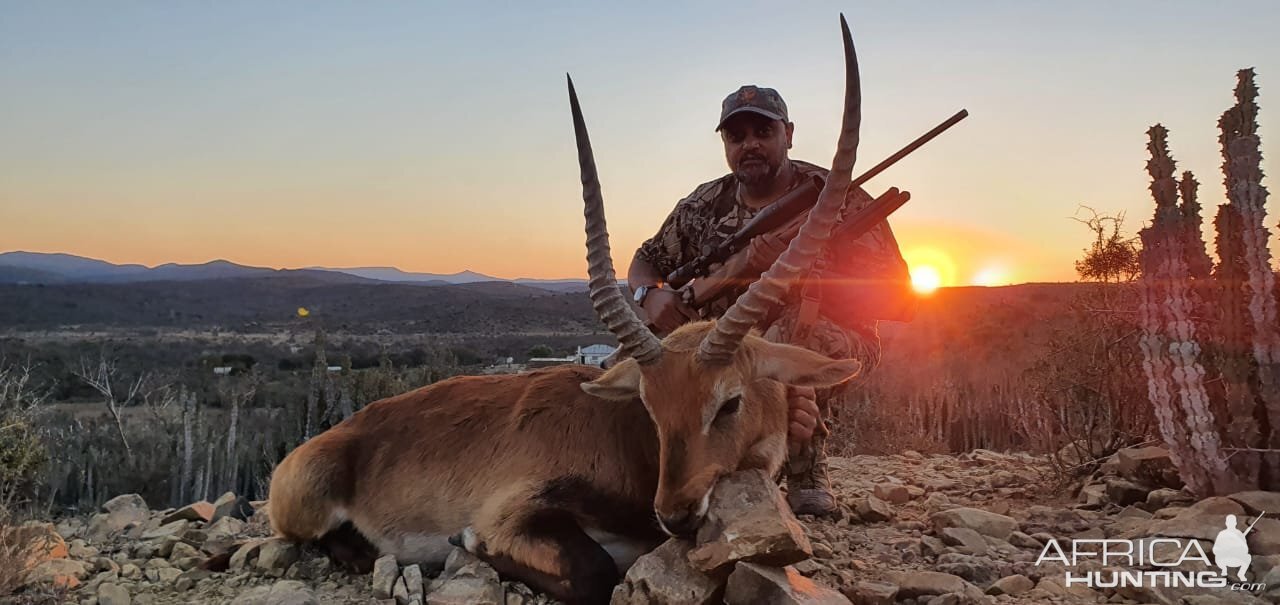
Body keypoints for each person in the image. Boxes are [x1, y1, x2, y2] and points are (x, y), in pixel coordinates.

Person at [626, 84, 915, 516]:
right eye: (736, 137)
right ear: (725, 144)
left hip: (822, 337)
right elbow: (645, 260)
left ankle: (804, 467)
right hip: (722, 345)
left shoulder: (838, 196)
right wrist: (650, 296)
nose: (750, 145)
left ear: (789, 134)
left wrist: (812, 273)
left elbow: (899, 300)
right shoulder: (703, 204)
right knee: (641, 369)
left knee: (785, 338)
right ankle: (680, 469)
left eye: (763, 131)